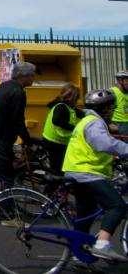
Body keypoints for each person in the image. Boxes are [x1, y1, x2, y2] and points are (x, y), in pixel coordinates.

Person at [63, 89, 128, 262]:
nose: (113, 110)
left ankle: (79, 256)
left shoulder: (87, 120)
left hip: (77, 171)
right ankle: (102, 245)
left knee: (86, 214)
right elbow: (103, 143)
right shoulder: (94, 122)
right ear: (105, 108)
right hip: (87, 173)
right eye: (111, 107)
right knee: (117, 206)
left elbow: (92, 147)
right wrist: (125, 150)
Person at [0, 61, 35, 191]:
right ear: (23, 76)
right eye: (32, 75)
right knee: (4, 175)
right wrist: (28, 141)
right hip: (0, 138)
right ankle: (6, 208)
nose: (33, 78)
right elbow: (18, 120)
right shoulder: (18, 92)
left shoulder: (4, 86)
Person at [41, 83, 83, 174]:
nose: (76, 100)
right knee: (58, 169)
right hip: (54, 142)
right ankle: (51, 187)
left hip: (59, 141)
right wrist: (76, 128)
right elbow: (57, 121)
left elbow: (79, 113)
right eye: (75, 97)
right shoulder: (61, 107)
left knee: (59, 167)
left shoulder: (68, 107)